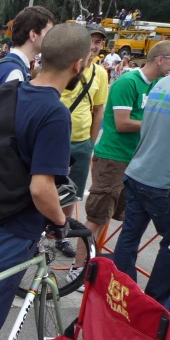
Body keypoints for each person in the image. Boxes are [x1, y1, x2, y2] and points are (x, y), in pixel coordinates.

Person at [0, 23, 91, 340]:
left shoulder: (9, 91)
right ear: (77, 65)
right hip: (15, 227)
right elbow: (41, 188)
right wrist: (61, 222)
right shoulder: (54, 112)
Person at [71, 41, 170, 278]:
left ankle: (96, 264)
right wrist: (157, 124)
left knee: (113, 218)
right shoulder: (128, 82)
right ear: (160, 59)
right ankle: (78, 270)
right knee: (97, 216)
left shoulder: (159, 85)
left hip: (133, 160)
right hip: (113, 157)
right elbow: (122, 123)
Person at [112, 69, 170, 305]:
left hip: (139, 171)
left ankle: (123, 293)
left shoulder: (164, 82)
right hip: (165, 180)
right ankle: (155, 302)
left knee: (129, 236)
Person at [56, 23, 108, 258]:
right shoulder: (63, 64)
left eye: (98, 42)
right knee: (42, 185)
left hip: (79, 142)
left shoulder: (101, 73)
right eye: (91, 41)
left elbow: (98, 110)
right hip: (55, 138)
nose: (94, 46)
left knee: (72, 192)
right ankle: (35, 231)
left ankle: (61, 234)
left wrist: (90, 142)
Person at [0, 6, 56, 95]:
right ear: (33, 35)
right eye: (49, 33)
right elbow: (8, 109)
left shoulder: (13, 66)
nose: (53, 38)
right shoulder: (14, 72)